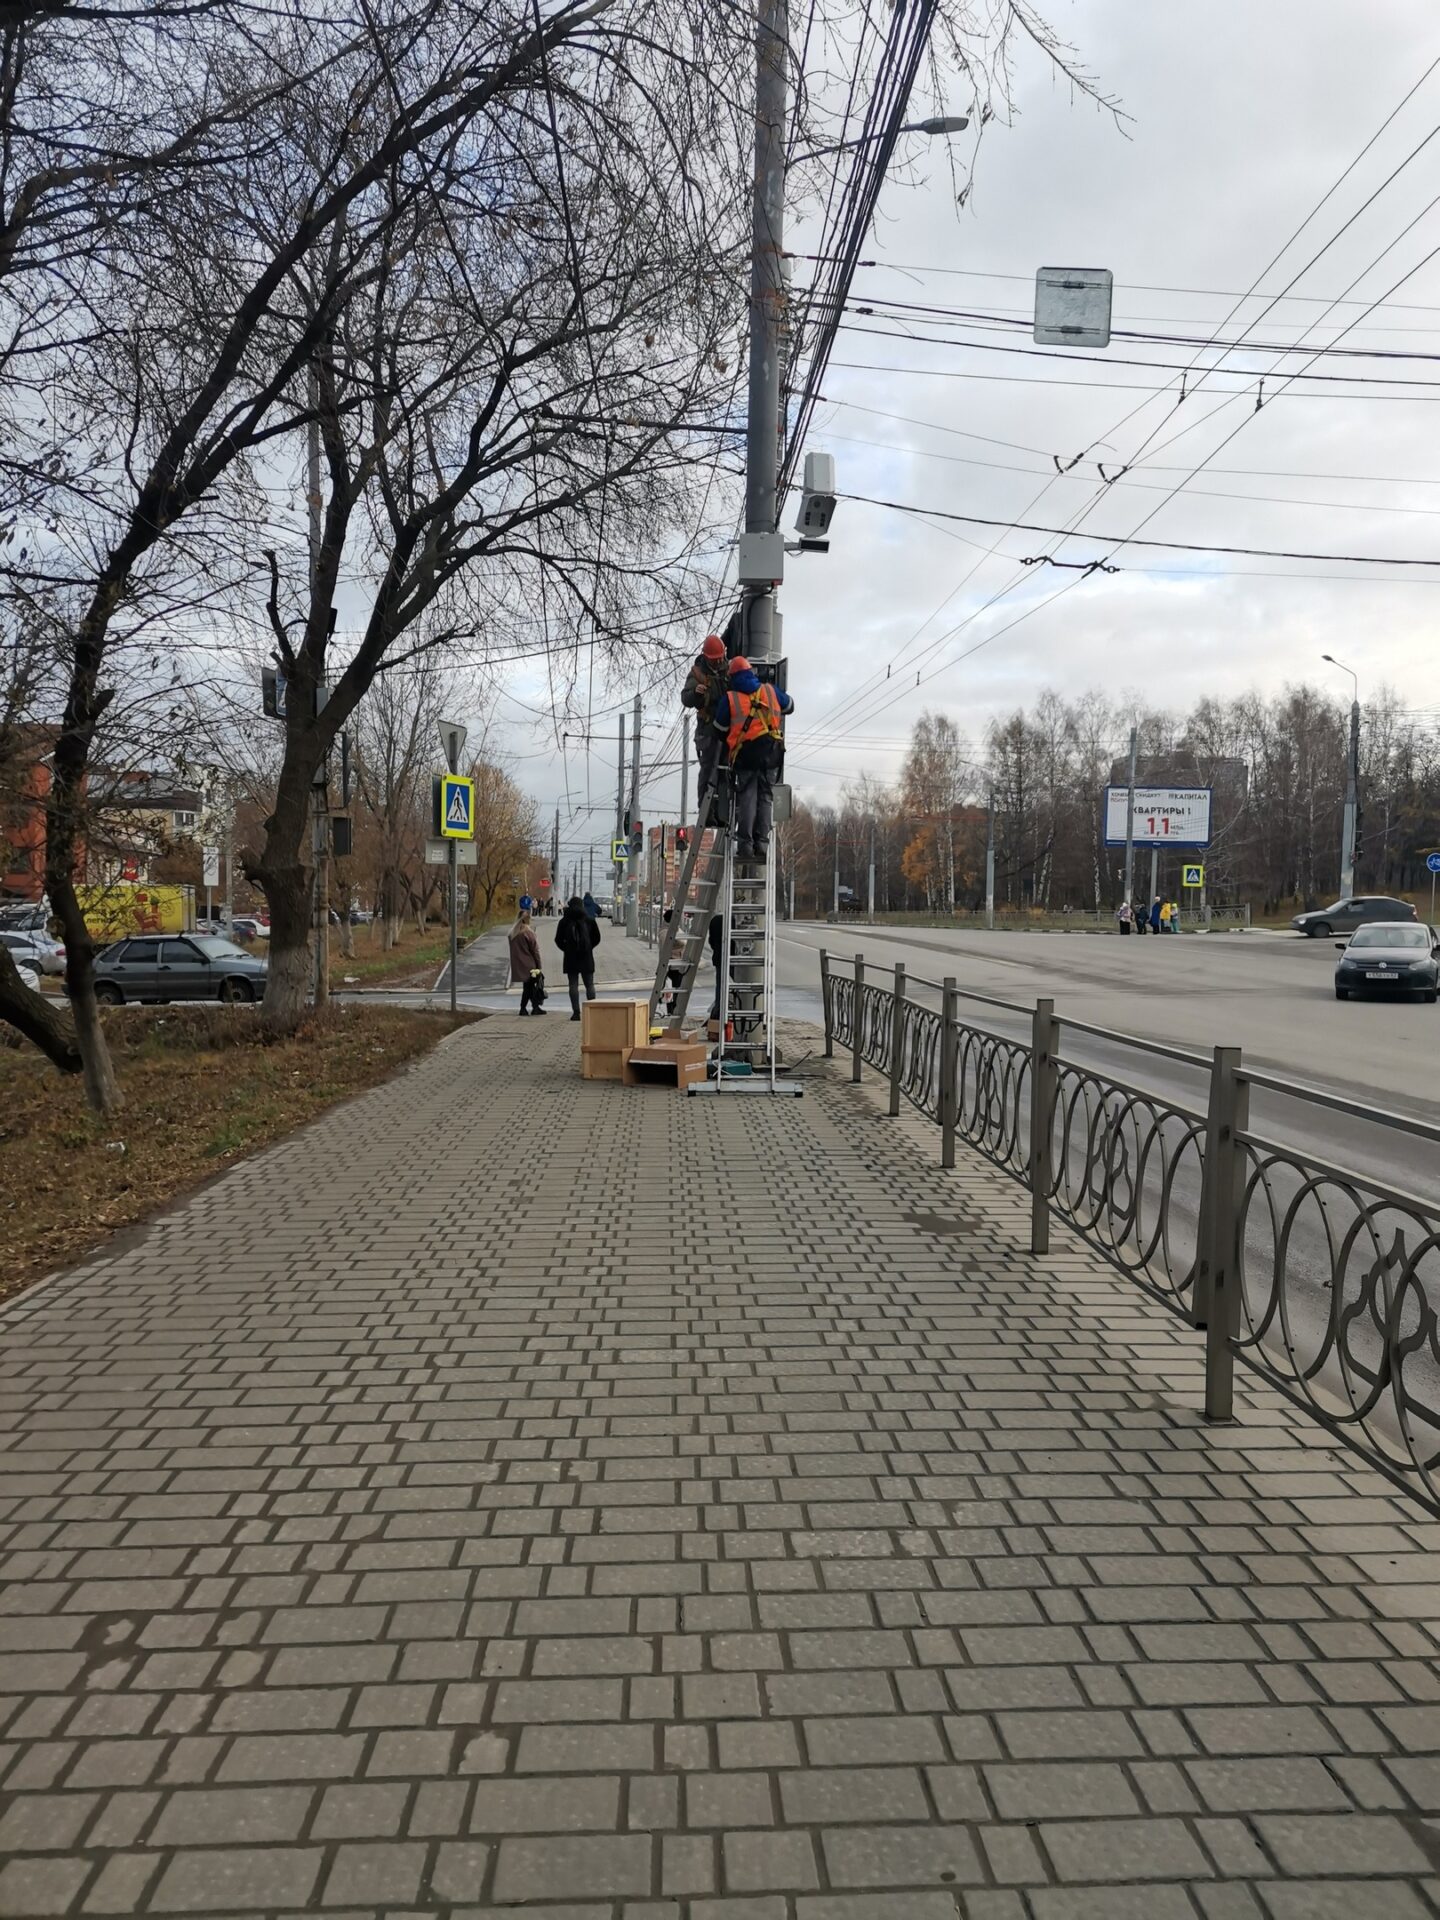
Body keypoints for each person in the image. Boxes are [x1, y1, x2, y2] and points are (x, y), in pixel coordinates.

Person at [713, 656, 793, 863]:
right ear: (751, 672)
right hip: (771, 753)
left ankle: (745, 845)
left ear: (731, 677)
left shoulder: (730, 699)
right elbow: (790, 705)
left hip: (745, 755)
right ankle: (763, 844)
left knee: (747, 797)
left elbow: (719, 729)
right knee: (766, 797)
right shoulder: (769, 690)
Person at [681, 633, 731, 814]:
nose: (718, 663)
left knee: (725, 770)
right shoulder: (697, 673)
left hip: (726, 731)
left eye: (720, 659)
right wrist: (696, 693)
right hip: (708, 731)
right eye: (715, 660)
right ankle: (706, 810)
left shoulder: (729, 670)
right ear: (707, 657)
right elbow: (686, 698)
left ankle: (722, 811)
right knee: (708, 771)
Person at [556, 893, 601, 1019]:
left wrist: (566, 949)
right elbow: (597, 938)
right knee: (589, 984)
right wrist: (589, 947)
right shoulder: (589, 920)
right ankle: (592, 1011)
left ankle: (576, 1012)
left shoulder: (564, 921)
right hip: (586, 957)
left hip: (571, 957)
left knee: (573, 984)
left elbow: (558, 940)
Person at [508, 909, 546, 1016]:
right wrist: (539, 965)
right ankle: (524, 1008)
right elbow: (535, 950)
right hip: (530, 965)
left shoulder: (512, 933)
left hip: (518, 965)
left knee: (528, 987)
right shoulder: (528, 932)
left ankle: (534, 1007)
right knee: (530, 987)